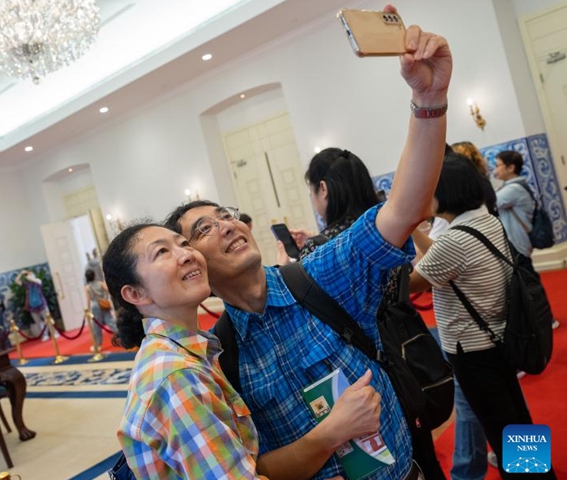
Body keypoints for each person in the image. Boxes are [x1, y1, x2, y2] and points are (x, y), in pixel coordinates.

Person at [164, 14, 451, 480]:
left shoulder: (318, 276)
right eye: (203, 229)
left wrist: (429, 99)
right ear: (193, 264)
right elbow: (254, 468)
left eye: (226, 214)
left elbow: (403, 209)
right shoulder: (222, 356)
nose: (227, 224)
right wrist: (329, 435)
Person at [106, 222, 369, 480]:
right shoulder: (175, 377)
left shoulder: (191, 352)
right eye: (162, 252)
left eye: (184, 244)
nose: (186, 255)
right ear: (135, 294)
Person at [277, 147, 445, 480]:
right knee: (424, 454)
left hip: (363, 374)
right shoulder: (384, 231)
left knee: (387, 459)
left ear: (323, 189)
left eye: (313, 192)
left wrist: (289, 267)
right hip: (407, 356)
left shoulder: (320, 249)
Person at [410, 154, 555, 480]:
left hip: (473, 352)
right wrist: (416, 230)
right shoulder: (483, 220)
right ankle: (539, 473)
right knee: (515, 419)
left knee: (501, 429)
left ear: (445, 191)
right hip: (497, 338)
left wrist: (404, 231)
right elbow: (440, 256)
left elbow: (411, 282)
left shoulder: (454, 240)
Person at [15, 270, 55, 341]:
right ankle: (45, 335)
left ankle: (54, 333)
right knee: (38, 322)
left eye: (30, 275)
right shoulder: (28, 285)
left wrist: (29, 275)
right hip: (33, 307)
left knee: (48, 319)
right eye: (28, 275)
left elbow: (33, 279)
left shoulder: (38, 282)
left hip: (42, 304)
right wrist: (21, 273)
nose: (28, 276)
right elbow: (17, 281)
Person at [84, 269, 117, 352]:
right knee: (110, 322)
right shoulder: (100, 283)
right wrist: (105, 298)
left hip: (95, 306)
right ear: (94, 275)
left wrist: (87, 309)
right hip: (103, 304)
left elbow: (88, 299)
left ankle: (98, 345)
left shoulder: (87, 287)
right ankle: (123, 339)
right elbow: (108, 289)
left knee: (97, 326)